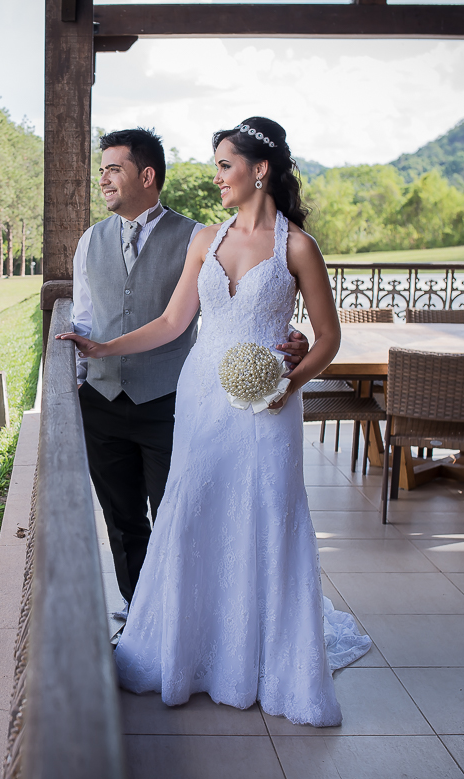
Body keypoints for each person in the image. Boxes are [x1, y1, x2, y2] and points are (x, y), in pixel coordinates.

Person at [59, 117, 370, 727]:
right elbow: (175, 323)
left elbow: (328, 338)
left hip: (267, 409)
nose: (217, 176)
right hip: (201, 397)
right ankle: (187, 650)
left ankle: (261, 658)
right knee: (194, 509)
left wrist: (289, 381)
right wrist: (104, 349)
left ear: (261, 170)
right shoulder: (206, 237)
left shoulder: (297, 248)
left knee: (263, 518)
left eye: (225, 164)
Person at [73, 128, 308, 620]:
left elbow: (249, 308)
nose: (104, 179)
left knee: (185, 513)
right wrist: (92, 356)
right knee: (122, 519)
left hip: (175, 399)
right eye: (102, 170)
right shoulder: (92, 240)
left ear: (147, 174)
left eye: (113, 168)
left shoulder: (202, 235)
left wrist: (292, 358)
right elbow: (100, 317)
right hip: (109, 398)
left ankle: (199, 615)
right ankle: (143, 616)